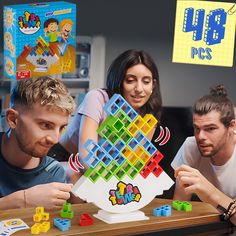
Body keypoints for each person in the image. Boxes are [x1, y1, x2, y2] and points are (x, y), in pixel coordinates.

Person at [49, 49, 162, 166]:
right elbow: (88, 160)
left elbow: (135, 162)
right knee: (76, 175)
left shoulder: (148, 115)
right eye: (130, 81)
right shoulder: (97, 98)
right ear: (119, 81)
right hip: (64, 159)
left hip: (102, 169)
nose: (139, 88)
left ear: (153, 85)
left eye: (146, 82)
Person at [0, 76, 76, 210]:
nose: (55, 139)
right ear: (13, 119)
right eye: (46, 125)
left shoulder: (54, 174)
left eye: (61, 128)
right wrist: (23, 200)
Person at [171, 85, 236, 225]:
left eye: (210, 129)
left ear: (232, 126)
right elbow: (179, 207)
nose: (200, 137)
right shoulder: (190, 146)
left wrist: (211, 193)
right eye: (197, 128)